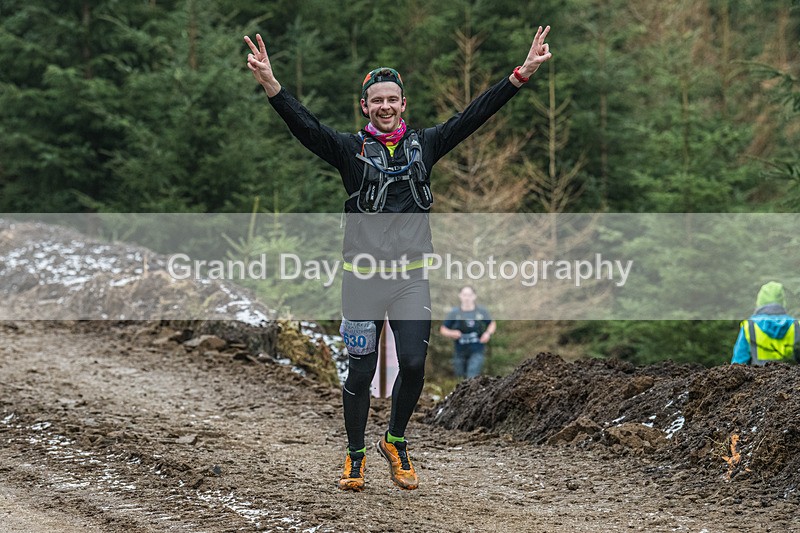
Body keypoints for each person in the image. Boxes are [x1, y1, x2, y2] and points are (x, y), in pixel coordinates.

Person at [244, 25, 552, 492]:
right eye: (377, 101)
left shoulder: (426, 144)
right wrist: (272, 85)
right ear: (364, 107)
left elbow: (474, 115)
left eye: (392, 99)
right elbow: (305, 127)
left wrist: (521, 75)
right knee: (361, 371)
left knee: (412, 364)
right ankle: (355, 455)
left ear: (403, 104)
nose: (385, 106)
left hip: (410, 280)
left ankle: (395, 440)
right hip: (361, 281)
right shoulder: (348, 150)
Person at [732, 281, 799, 365]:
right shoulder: (796, 325)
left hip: (757, 373)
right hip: (792, 373)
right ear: (782, 301)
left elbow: (738, 363)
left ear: (760, 301)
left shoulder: (749, 326)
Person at [440, 285, 496, 378]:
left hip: (477, 350)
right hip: (459, 351)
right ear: (460, 296)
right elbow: (443, 329)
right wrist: (452, 333)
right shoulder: (454, 313)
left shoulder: (481, 311)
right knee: (459, 377)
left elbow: (492, 324)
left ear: (474, 296)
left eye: (469, 295)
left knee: (472, 376)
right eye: (464, 295)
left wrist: (487, 334)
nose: (467, 298)